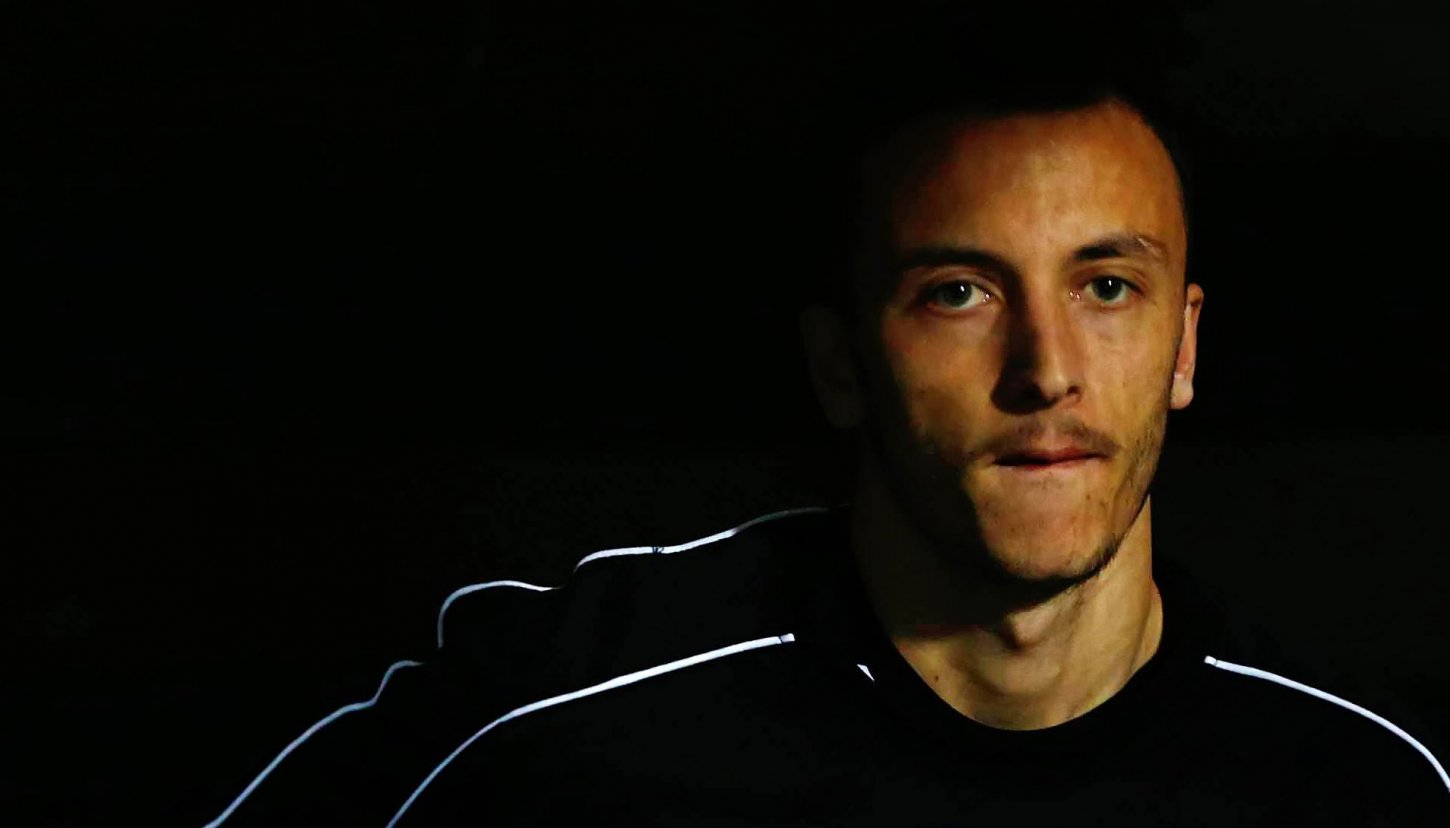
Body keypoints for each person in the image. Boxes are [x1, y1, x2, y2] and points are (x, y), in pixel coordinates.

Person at [201, 19, 1448, 827]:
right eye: (958, 293)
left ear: (1182, 346)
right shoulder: (556, 718)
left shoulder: (1362, 781)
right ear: (842, 363)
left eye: (1107, 288)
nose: (1045, 371)